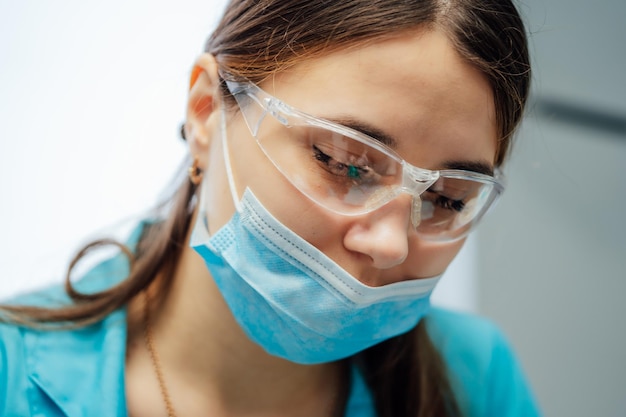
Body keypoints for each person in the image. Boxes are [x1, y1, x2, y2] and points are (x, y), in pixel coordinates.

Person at [0, 0, 539, 416]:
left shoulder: (476, 379)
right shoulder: (12, 374)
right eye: (345, 163)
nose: (390, 244)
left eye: (447, 198)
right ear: (207, 111)